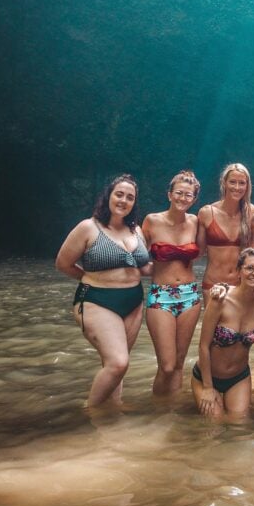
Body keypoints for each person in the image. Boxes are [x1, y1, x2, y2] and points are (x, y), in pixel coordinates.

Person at [55, 174, 150, 407]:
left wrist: (178, 264)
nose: (123, 201)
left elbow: (144, 267)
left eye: (130, 197)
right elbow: (63, 264)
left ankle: (113, 412)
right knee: (118, 363)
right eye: (119, 194)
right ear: (108, 196)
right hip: (97, 300)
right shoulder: (88, 227)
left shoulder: (136, 230)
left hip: (134, 301)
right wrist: (91, 278)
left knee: (117, 367)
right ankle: (91, 414)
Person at [141, 170, 203, 397]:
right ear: (169, 194)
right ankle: (158, 409)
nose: (183, 198)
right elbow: (135, 255)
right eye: (179, 193)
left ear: (194, 199)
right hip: (161, 295)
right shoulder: (151, 221)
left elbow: (204, 252)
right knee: (166, 365)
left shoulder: (195, 222)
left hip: (190, 295)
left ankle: (172, 412)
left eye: (188, 195)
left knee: (178, 363)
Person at [191, 247, 254, 418]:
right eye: (249, 268)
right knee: (214, 425)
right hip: (208, 377)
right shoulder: (220, 299)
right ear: (239, 271)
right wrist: (208, 388)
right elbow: (203, 346)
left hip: (239, 377)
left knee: (239, 426)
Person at [197, 163, 254, 291]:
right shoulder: (207, 213)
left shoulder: (250, 211)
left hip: (241, 284)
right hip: (213, 283)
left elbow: (253, 250)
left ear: (247, 186)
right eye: (232, 182)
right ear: (224, 183)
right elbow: (198, 252)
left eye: (242, 183)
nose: (237, 187)